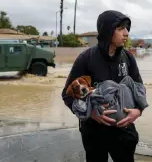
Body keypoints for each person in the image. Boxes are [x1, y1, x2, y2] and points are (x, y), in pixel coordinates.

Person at [61, 10, 146, 162]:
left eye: (127, 28)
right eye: (120, 29)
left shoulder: (128, 58)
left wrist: (138, 111)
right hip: (94, 132)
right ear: (107, 31)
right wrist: (92, 112)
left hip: (123, 130)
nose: (126, 33)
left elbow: (139, 88)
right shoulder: (86, 59)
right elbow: (68, 95)